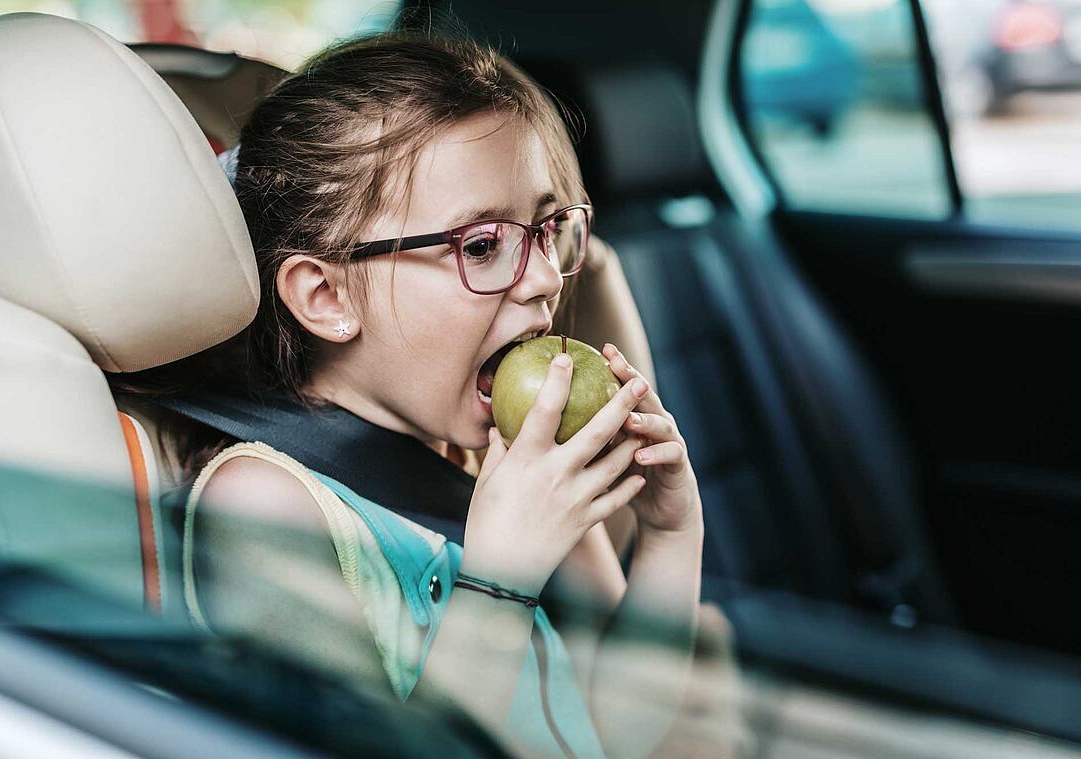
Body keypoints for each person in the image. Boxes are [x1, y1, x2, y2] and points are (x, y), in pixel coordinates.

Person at [136, 30, 706, 759]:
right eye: (479, 246)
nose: (542, 281)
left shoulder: (511, 464)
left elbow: (617, 725)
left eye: (547, 230)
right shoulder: (267, 504)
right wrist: (500, 582)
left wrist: (669, 531)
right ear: (327, 294)